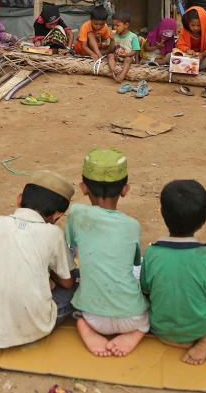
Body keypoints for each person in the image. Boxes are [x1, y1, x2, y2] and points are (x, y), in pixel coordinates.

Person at [0, 170, 76, 348]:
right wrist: (48, 276)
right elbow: (67, 283)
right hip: (32, 325)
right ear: (57, 214)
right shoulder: (53, 233)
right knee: (79, 283)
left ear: (19, 199)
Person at [67, 148, 149, 358]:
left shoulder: (76, 214)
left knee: (78, 297)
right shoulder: (132, 225)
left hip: (93, 317)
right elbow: (133, 261)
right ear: (125, 189)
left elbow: (71, 249)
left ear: (83, 188)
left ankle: (84, 326)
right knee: (147, 304)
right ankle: (138, 333)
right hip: (133, 318)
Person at [140, 180, 206, 365]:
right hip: (200, 328)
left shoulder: (152, 253)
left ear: (162, 214)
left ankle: (181, 336)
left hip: (159, 329)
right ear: (203, 222)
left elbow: (146, 292)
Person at [107, 11, 140, 84]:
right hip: (117, 57)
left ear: (126, 25)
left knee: (128, 59)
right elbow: (111, 50)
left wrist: (125, 55)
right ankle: (113, 70)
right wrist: (112, 40)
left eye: (117, 25)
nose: (115, 28)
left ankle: (122, 75)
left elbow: (135, 51)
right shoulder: (114, 35)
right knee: (110, 55)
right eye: (114, 25)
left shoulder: (133, 36)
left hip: (128, 58)